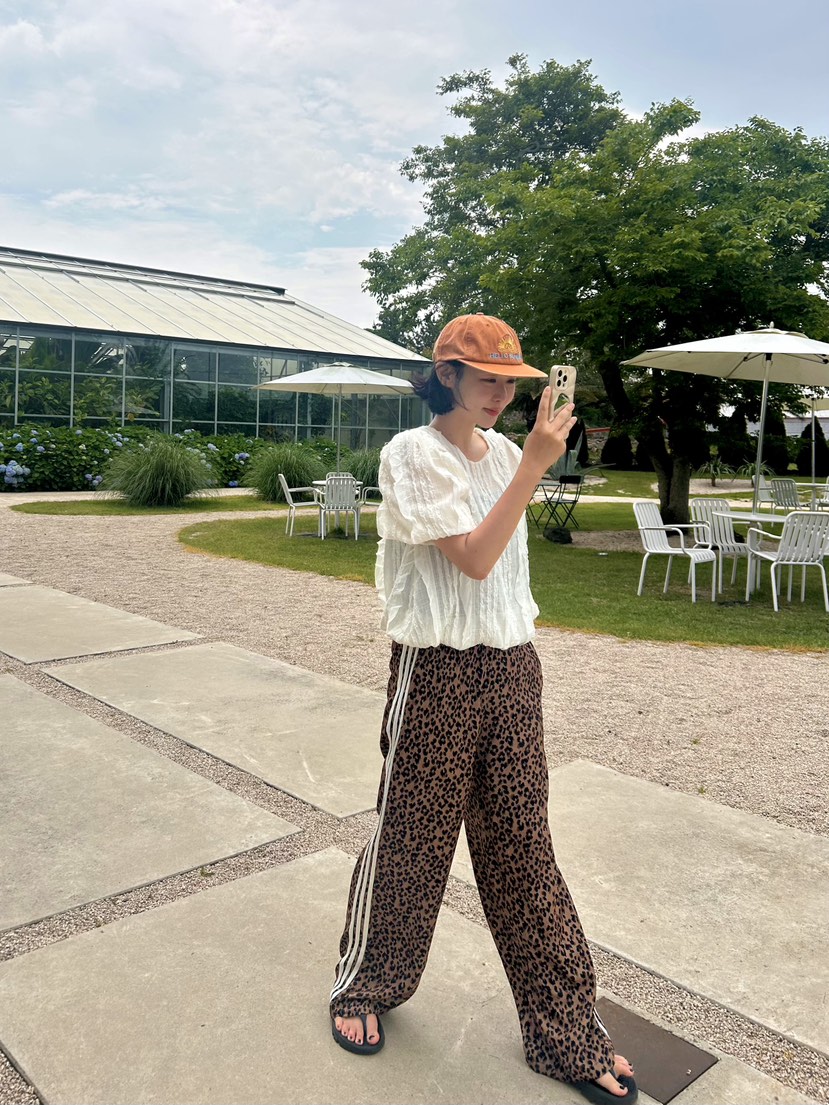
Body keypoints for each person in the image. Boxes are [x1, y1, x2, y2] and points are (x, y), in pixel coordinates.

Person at [329, 313, 637, 1104]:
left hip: (511, 667)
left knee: (524, 848)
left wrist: (524, 460)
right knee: (412, 837)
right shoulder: (412, 453)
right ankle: (365, 983)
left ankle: (565, 1030)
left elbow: (500, 566)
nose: (501, 394)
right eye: (486, 379)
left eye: (510, 382)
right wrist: (534, 465)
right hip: (434, 667)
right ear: (448, 375)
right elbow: (470, 558)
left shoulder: (504, 452)